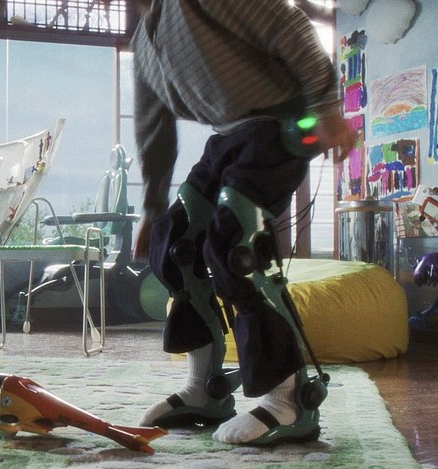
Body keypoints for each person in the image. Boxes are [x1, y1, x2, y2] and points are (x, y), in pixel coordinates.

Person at [128, 0, 356, 445]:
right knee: (174, 245)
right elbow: (153, 126)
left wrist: (328, 109)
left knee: (236, 248)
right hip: (227, 137)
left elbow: (289, 24)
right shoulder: (144, 43)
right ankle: (205, 389)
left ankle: (289, 401)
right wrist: (153, 209)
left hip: (280, 124)